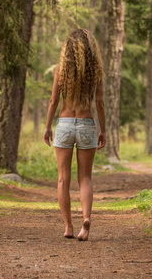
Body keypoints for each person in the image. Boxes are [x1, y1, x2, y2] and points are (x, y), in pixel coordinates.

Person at [43, 28, 106, 241]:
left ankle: (68, 227)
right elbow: (100, 105)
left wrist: (47, 126)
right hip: (87, 124)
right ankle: (85, 222)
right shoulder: (96, 72)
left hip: (65, 125)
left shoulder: (61, 70)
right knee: (85, 178)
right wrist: (103, 130)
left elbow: (53, 102)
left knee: (63, 179)